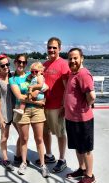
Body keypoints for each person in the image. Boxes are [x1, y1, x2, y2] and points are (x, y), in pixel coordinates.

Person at [10, 59, 50, 178]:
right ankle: (23, 162)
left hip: (37, 111)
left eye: (23, 62)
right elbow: (19, 96)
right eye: (18, 62)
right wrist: (38, 101)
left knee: (39, 138)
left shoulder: (32, 75)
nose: (21, 64)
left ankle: (43, 164)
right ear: (15, 63)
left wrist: (38, 91)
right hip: (25, 110)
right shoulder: (13, 79)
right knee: (24, 138)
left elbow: (45, 86)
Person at [64, 48, 96, 183]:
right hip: (71, 118)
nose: (72, 61)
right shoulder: (73, 73)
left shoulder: (83, 74)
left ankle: (89, 176)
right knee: (78, 147)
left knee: (86, 148)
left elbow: (92, 97)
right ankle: (82, 169)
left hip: (83, 119)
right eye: (70, 58)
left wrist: (84, 107)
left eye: (75, 58)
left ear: (82, 58)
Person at [37, 37, 70, 174]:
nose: (51, 50)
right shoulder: (44, 65)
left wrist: (64, 105)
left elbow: (67, 87)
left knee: (60, 133)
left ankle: (62, 159)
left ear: (59, 49)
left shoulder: (63, 64)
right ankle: (49, 155)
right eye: (49, 47)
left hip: (57, 106)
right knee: (45, 132)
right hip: (44, 105)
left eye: (54, 47)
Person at [0, 54, 16, 171]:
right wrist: (0, 117)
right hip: (4, 112)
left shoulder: (12, 76)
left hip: (14, 110)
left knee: (23, 134)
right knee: (4, 137)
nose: (6, 67)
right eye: (3, 65)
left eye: (7, 64)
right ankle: (5, 159)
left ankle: (18, 155)